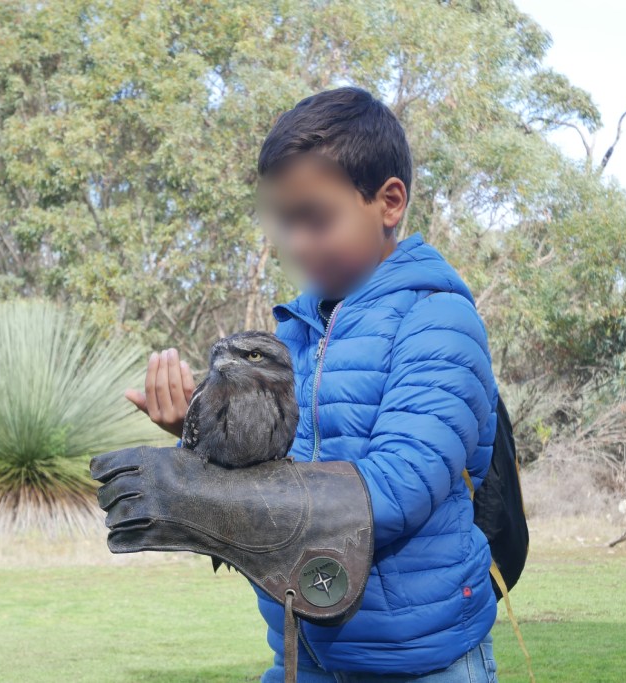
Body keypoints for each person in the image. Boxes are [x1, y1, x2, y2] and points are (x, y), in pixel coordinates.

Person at [126, 86, 500, 683]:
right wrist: (201, 436)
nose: (296, 243)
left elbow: (398, 489)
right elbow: (273, 468)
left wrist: (203, 497)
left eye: (316, 219)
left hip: (421, 661)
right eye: (284, 221)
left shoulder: (437, 320)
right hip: (304, 648)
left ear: (390, 202)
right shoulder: (295, 331)